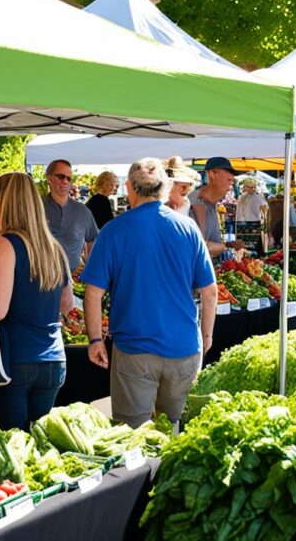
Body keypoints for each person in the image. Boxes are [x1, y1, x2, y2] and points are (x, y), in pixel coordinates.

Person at [82, 158, 217, 428]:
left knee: (133, 436)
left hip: (135, 351)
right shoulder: (188, 228)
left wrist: (95, 339)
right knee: (173, 430)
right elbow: (210, 292)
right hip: (184, 348)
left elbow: (93, 293)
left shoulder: (113, 230)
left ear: (130, 189)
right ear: (165, 189)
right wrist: (206, 336)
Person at [0, 173, 73, 431]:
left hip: (15, 359)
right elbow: (67, 304)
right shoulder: (53, 247)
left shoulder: (3, 244)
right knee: (38, 443)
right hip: (53, 360)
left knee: (15, 445)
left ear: (5, 201)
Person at [43, 160, 98, 271]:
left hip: (73, 280)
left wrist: (91, 268)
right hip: (41, 279)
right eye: (61, 176)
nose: (65, 181)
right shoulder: (35, 208)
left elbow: (93, 241)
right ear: (49, 179)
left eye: (69, 178)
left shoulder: (82, 211)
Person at [189, 157, 239, 258]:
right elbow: (193, 245)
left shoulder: (211, 207)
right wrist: (222, 246)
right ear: (212, 174)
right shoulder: (192, 202)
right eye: (229, 180)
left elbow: (213, 245)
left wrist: (230, 244)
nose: (231, 186)